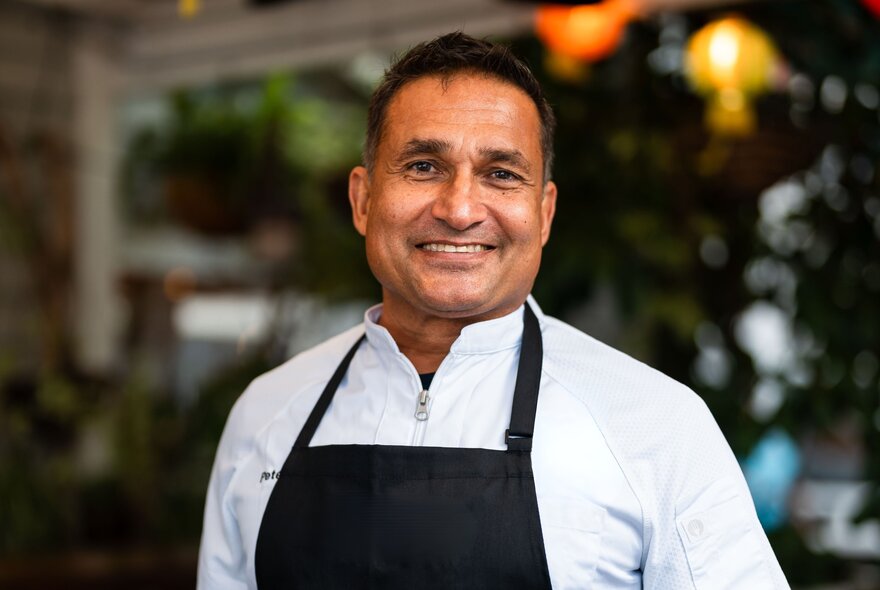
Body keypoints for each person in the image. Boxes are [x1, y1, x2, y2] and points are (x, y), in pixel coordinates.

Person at [197, 32, 789, 589]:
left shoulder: (654, 424)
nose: (459, 209)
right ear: (363, 199)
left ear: (545, 212)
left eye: (501, 174)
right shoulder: (266, 415)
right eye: (423, 166)